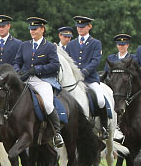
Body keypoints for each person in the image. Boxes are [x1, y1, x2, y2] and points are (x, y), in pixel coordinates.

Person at [13, 16, 64, 147]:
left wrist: (37, 69)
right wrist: (17, 71)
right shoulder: (24, 45)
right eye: (31, 29)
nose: (32, 32)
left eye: (35, 29)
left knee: (47, 104)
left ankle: (57, 133)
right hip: (25, 79)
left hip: (42, 81)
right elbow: (17, 62)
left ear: (42, 29)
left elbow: (55, 65)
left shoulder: (49, 47)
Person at [67, 15, 109, 138]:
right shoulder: (71, 44)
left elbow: (95, 61)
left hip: (90, 79)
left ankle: (104, 127)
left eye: (83, 26)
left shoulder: (96, 43)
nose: (80, 28)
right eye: (78, 26)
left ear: (89, 27)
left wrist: (83, 73)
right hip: (74, 81)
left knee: (101, 99)